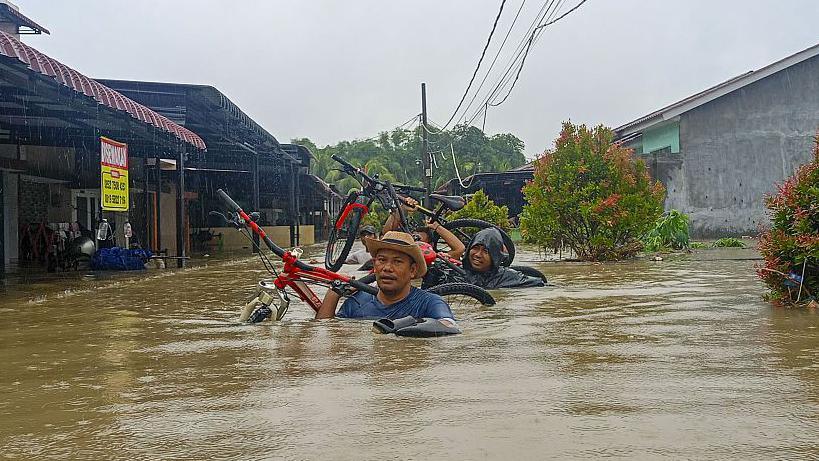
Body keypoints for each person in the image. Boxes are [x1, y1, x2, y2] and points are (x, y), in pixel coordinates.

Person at [317, 231, 458, 330]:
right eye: (382, 260)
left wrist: (403, 326)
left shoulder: (430, 303)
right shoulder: (357, 302)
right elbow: (324, 333)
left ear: (413, 270)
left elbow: (449, 326)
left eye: (397, 262)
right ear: (374, 265)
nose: (387, 268)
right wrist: (333, 294)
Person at [462, 227, 545, 289]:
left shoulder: (508, 277)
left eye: (485, 251)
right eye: (475, 248)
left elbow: (540, 284)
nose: (478, 254)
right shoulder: (458, 273)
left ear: (495, 256)